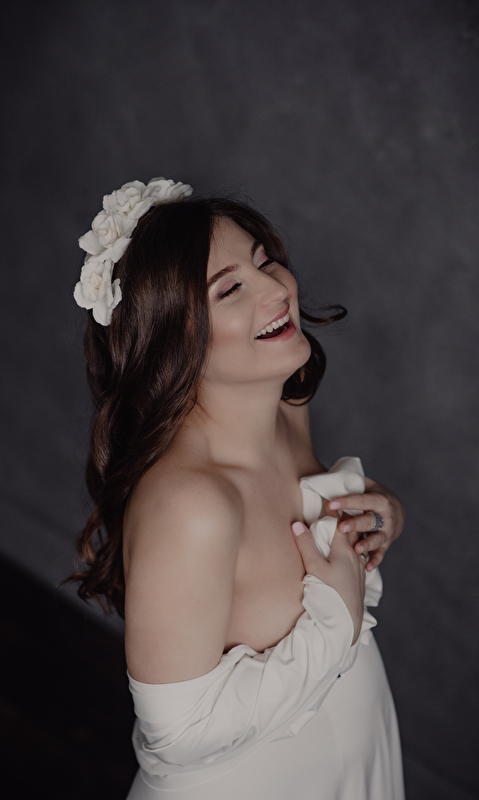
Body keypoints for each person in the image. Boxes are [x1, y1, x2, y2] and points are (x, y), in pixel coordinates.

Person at [71, 178, 405, 799]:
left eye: (265, 260)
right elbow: (180, 735)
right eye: (230, 289)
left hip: (358, 745)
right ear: (173, 337)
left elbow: (294, 520)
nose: (279, 289)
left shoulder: (284, 402)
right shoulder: (191, 506)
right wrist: (336, 620)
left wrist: (380, 510)